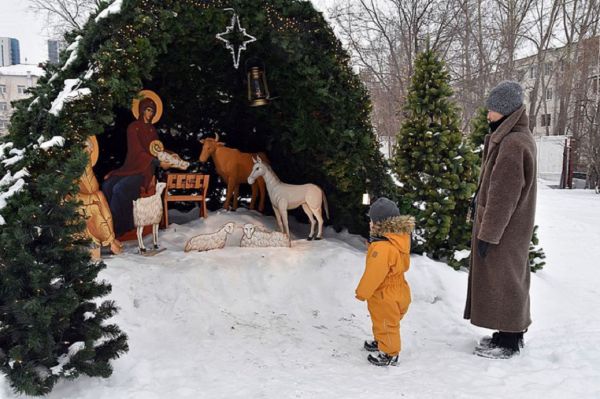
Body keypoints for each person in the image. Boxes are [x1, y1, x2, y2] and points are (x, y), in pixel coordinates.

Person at [464, 80, 537, 359]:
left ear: (505, 111)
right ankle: (505, 332)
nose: (488, 115)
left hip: (505, 230)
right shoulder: (511, 138)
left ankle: (510, 340)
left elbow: (503, 196)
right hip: (510, 229)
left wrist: (488, 234)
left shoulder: (513, 143)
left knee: (506, 280)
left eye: (492, 110)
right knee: (507, 278)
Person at [355, 197, 414, 366]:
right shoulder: (400, 238)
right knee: (385, 322)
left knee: (386, 323)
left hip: (385, 293)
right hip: (400, 288)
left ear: (380, 224)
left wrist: (362, 292)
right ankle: (382, 341)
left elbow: (374, 274)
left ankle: (389, 353)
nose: (370, 224)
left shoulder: (382, 248)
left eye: (372, 221)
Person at [102, 98, 170, 237]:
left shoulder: (152, 130)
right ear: (141, 110)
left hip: (144, 171)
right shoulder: (133, 127)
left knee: (119, 188)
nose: (150, 113)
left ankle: (120, 227)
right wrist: (156, 161)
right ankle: (109, 224)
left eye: (152, 111)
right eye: (148, 110)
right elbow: (136, 150)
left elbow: (157, 149)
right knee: (108, 185)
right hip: (131, 167)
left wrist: (164, 159)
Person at [76, 135, 122, 259]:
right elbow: (70, 195)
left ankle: (111, 237)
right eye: (87, 151)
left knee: (100, 196)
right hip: (73, 205)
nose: (90, 154)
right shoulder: (70, 170)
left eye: (90, 151)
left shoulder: (86, 167)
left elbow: (92, 187)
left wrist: (94, 196)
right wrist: (90, 198)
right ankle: (110, 242)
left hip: (87, 200)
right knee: (94, 208)